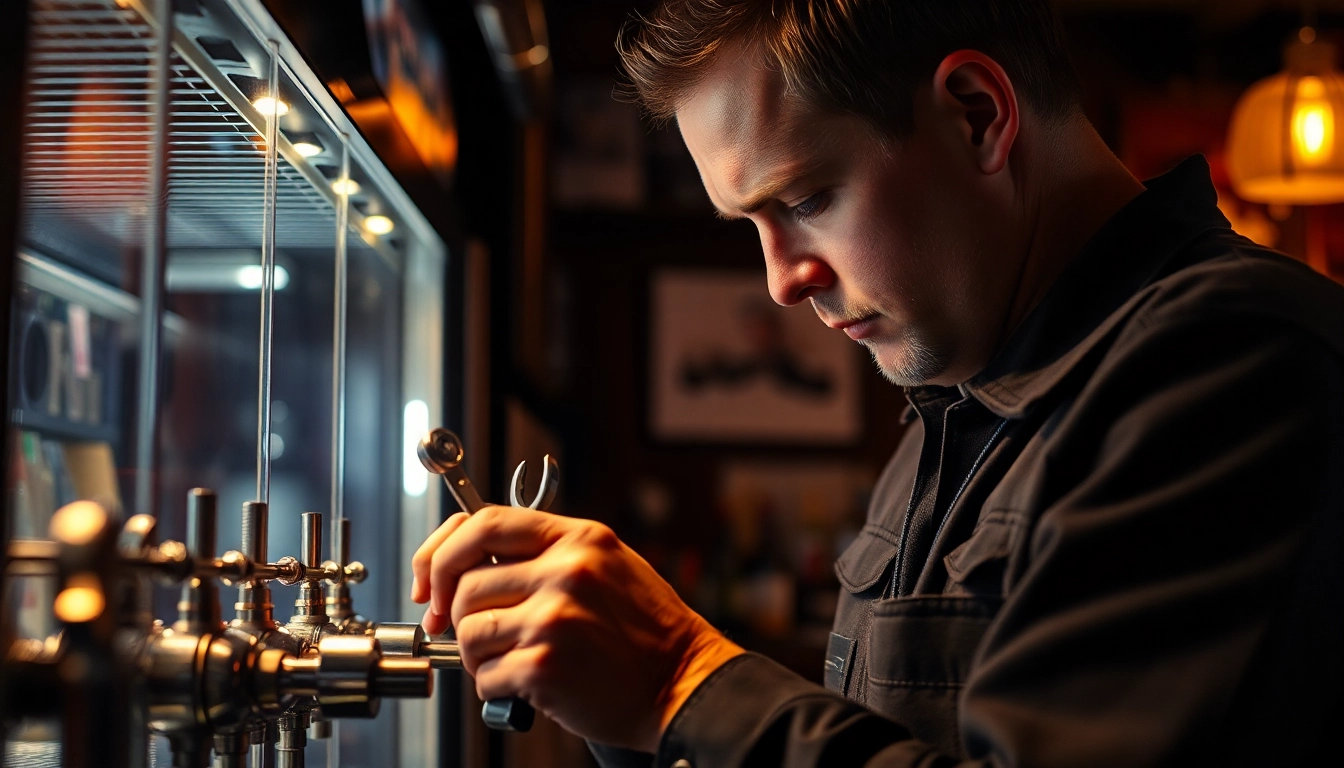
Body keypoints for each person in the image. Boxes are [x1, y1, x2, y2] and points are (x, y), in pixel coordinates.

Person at [411, 1, 1344, 765]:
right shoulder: (951, 413)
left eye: (806, 200)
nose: (780, 281)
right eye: (751, 223)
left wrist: (679, 677)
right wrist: (621, 704)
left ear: (977, 112)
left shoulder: (1235, 363)